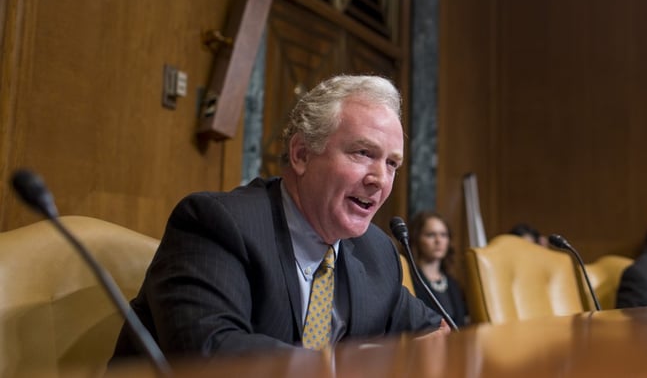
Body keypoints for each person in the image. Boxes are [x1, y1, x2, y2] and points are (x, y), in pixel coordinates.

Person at [111, 75, 446, 361]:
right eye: (363, 153)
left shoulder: (376, 253)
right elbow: (210, 352)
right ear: (301, 154)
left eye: (392, 164)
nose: (381, 179)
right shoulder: (217, 225)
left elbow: (436, 332)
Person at [408, 211, 471, 327]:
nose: (438, 241)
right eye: (431, 235)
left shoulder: (453, 284)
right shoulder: (409, 280)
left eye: (443, 235)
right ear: (417, 239)